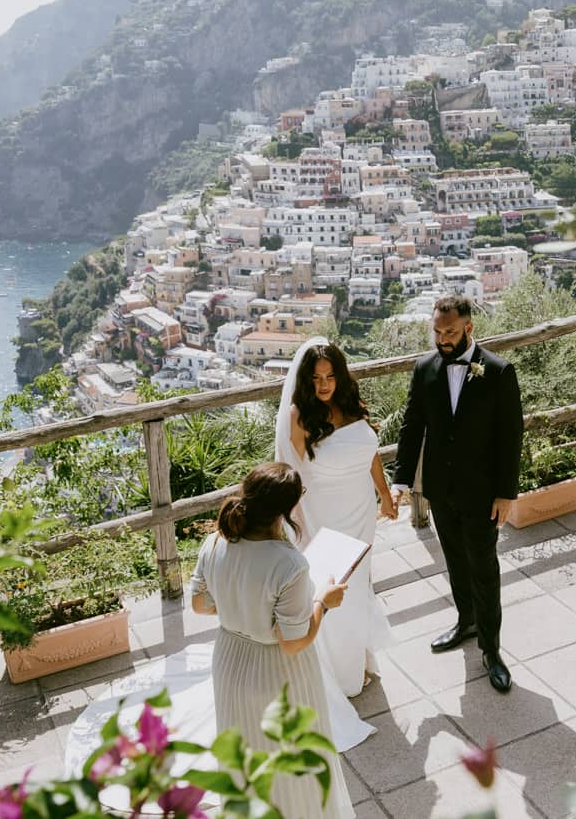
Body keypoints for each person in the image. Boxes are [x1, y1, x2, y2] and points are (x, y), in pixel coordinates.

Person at [188, 463, 355, 818]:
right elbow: (293, 642)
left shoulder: (214, 542)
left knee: (244, 757)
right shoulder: (290, 564)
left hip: (230, 661)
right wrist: (323, 602)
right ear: (287, 508)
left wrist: (239, 606)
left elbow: (200, 604)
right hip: (277, 672)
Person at [391, 296, 524, 693]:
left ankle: (492, 648)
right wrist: (400, 482)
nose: (442, 339)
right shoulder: (424, 368)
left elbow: (510, 437)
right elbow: (412, 427)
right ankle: (465, 622)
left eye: (449, 332)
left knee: (484, 569)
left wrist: (506, 493)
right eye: (437, 331)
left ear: (468, 328)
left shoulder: (498, 371)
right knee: (454, 561)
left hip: (483, 493)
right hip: (440, 490)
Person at [275, 337, 396, 698]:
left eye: (330, 376)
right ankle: (337, 675)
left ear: (340, 376)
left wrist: (385, 494)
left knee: (360, 587)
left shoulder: (351, 403)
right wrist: (300, 529)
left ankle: (359, 658)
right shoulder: (299, 415)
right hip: (325, 517)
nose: (324, 385)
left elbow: (370, 453)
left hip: (361, 511)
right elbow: (290, 476)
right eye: (316, 378)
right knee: (333, 591)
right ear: (306, 380)